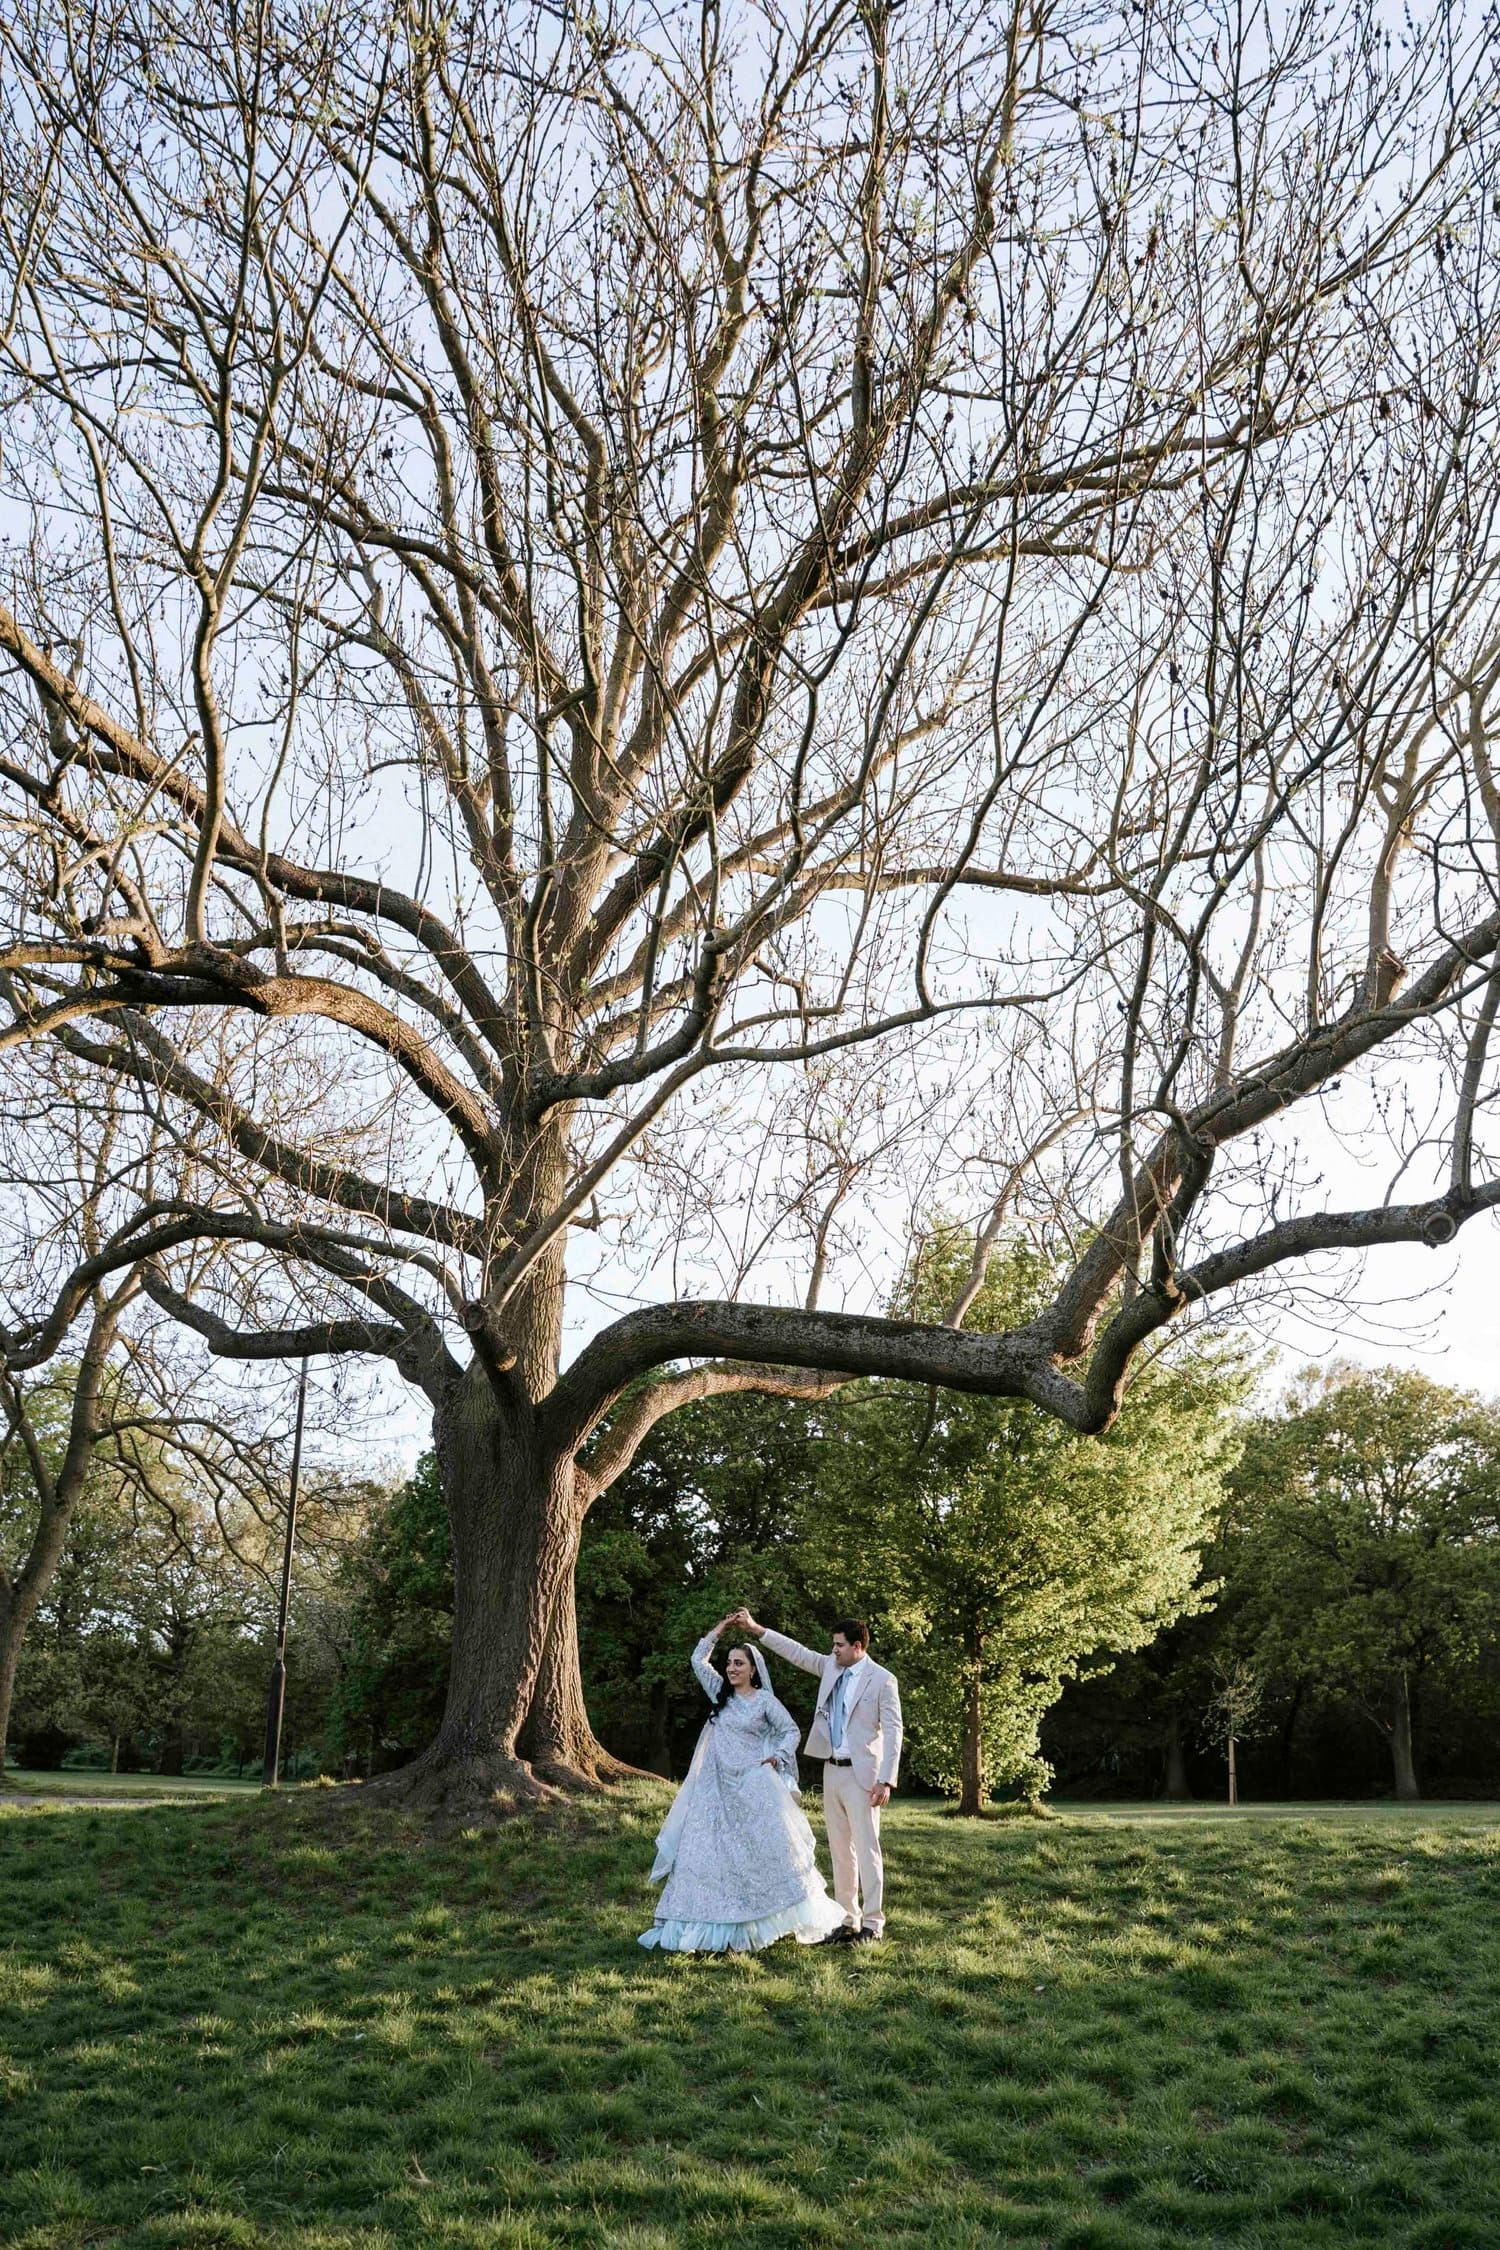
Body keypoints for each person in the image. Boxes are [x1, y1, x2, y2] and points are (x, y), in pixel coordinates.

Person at [638, 1614, 847, 1954]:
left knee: (765, 1854)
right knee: (712, 1856)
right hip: (716, 1791)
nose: (732, 1668)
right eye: (730, 1663)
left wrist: (778, 1755)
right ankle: (716, 1926)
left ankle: (766, 1921)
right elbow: (697, 1659)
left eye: (739, 1663)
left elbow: (791, 1730)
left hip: (754, 1785)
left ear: (753, 1669)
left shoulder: (765, 1702)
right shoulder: (719, 1692)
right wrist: (720, 1629)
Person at [732, 1609, 902, 1944]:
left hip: (864, 1775)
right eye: (833, 1646)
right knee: (840, 1851)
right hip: (832, 1769)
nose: (833, 1651)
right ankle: (847, 1920)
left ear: (858, 1646)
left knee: (867, 1850)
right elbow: (797, 1652)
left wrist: (886, 1779)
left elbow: (894, 1731)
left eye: (839, 1645)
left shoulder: (883, 1679)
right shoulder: (830, 1668)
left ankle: (873, 1924)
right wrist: (756, 1630)